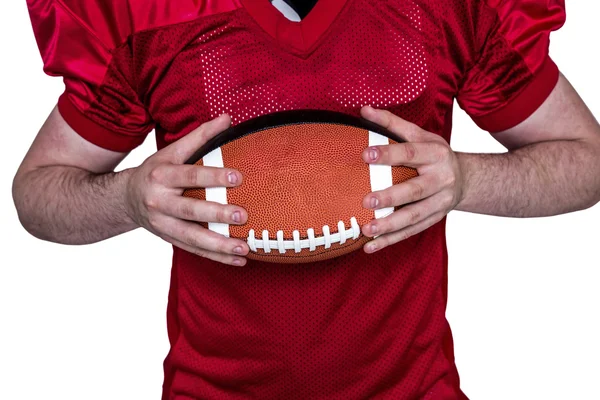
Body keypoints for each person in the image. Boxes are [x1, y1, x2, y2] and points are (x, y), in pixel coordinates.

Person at [14, 0, 600, 398]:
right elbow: (37, 190)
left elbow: (587, 160)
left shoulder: (444, 8)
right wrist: (127, 200)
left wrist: (469, 180)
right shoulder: (152, 15)